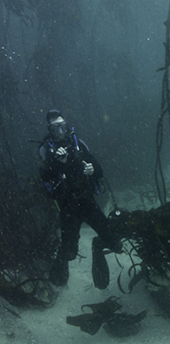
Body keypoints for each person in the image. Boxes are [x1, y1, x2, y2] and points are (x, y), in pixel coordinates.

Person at [39, 109, 119, 288]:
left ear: (66, 126)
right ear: (49, 130)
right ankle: (59, 271)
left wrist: (92, 170)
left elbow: (99, 170)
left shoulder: (78, 144)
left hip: (86, 201)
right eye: (54, 128)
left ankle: (97, 247)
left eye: (62, 126)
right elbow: (46, 184)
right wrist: (57, 165)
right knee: (69, 253)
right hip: (67, 208)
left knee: (114, 241)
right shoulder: (47, 151)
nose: (59, 132)